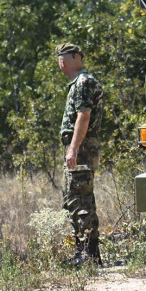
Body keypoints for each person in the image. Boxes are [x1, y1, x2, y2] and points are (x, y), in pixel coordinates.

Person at [56, 42, 104, 267]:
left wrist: (74, 149)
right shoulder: (80, 82)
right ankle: (87, 253)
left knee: (80, 201)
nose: (60, 62)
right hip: (82, 148)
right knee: (77, 199)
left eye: (63, 57)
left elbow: (83, 116)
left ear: (75, 57)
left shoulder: (83, 82)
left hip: (82, 149)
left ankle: (87, 255)